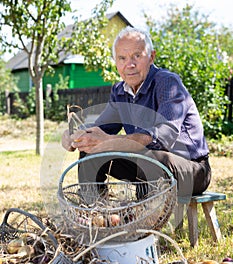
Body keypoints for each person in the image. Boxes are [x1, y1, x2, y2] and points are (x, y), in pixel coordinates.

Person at [62, 26, 211, 198]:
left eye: (137, 56)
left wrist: (111, 140)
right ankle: (96, 212)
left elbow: (164, 135)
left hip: (192, 169)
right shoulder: (120, 91)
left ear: (151, 57)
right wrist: (77, 136)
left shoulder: (168, 83)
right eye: (122, 58)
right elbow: (100, 129)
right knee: (91, 148)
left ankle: (143, 219)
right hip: (147, 165)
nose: (129, 65)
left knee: (154, 159)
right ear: (115, 62)